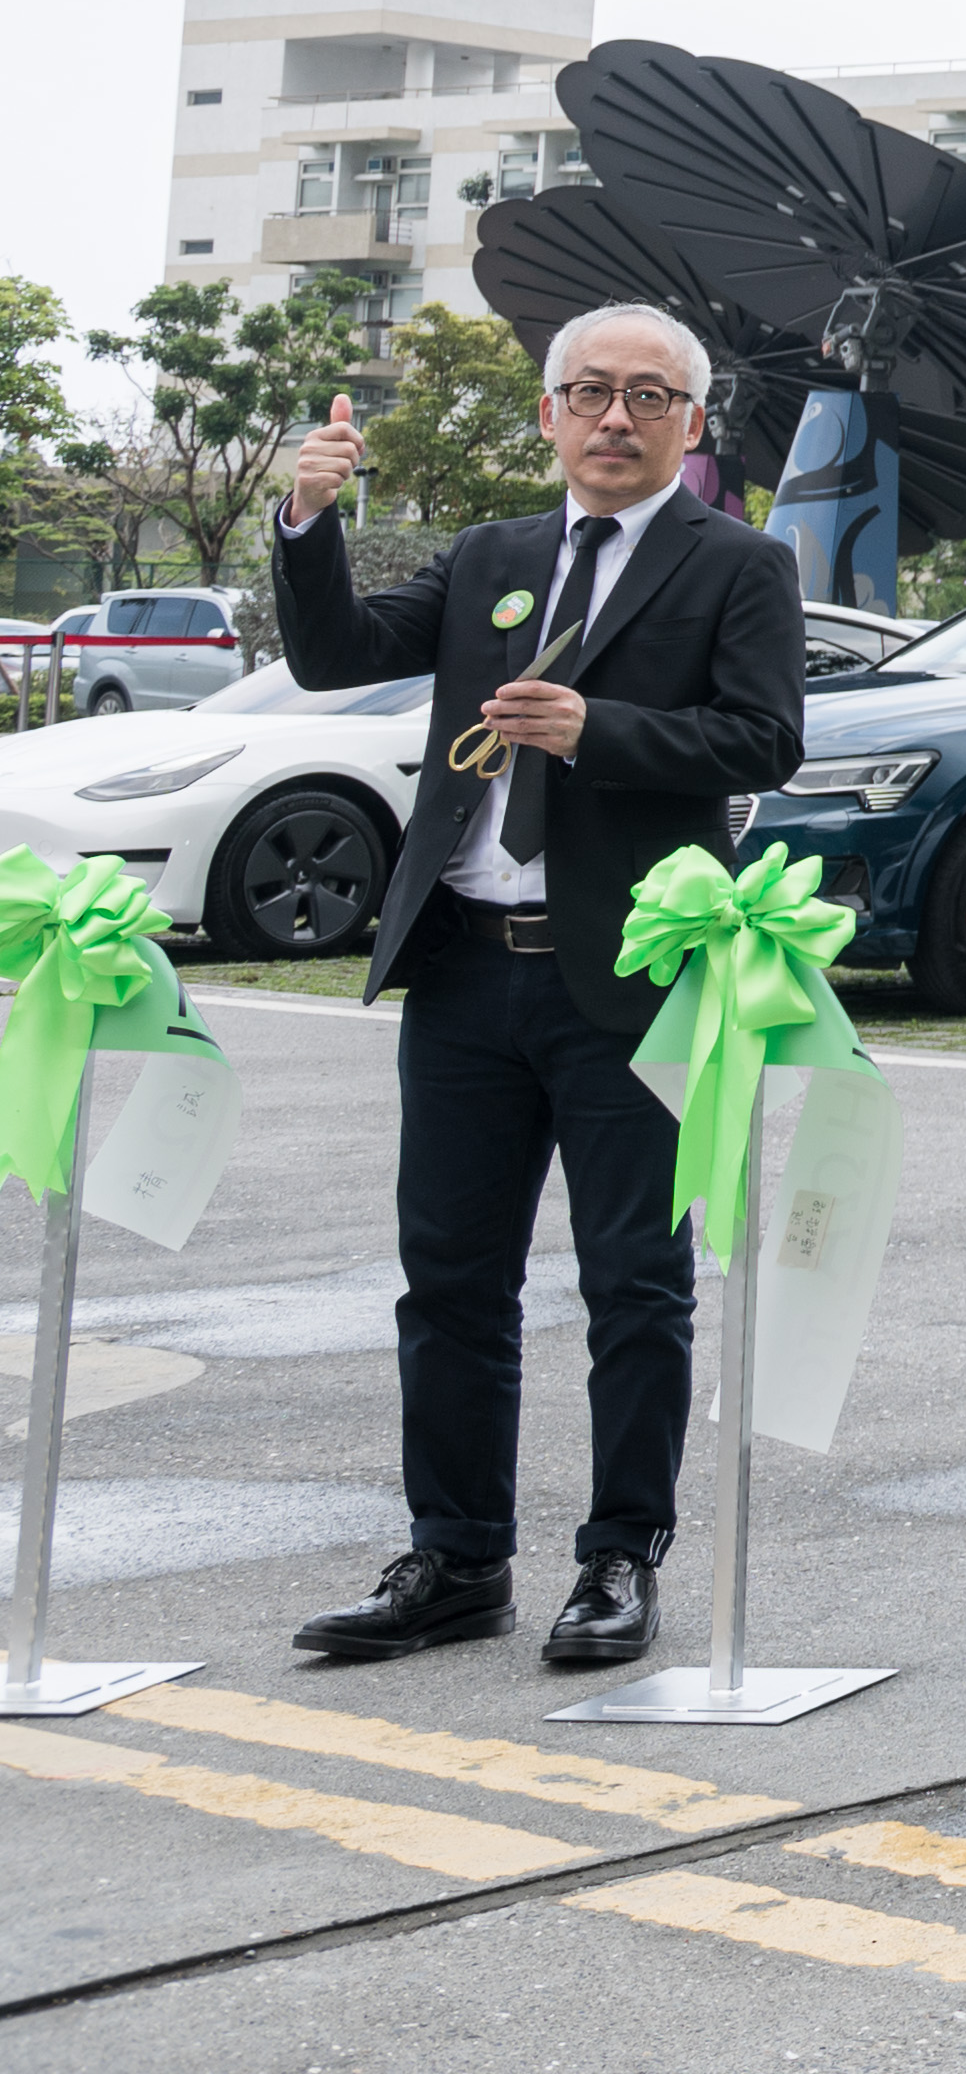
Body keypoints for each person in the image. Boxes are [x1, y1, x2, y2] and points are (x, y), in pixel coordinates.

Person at [262, 319, 807, 1671]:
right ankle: (454, 1558)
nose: (615, 420)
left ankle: (621, 1558)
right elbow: (337, 655)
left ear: (692, 421)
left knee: (635, 1284)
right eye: (590, 396)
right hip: (462, 965)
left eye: (648, 398)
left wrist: (596, 731)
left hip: (634, 978)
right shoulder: (493, 554)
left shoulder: (738, 562)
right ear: (551, 412)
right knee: (449, 1281)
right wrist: (306, 518)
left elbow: (766, 737)